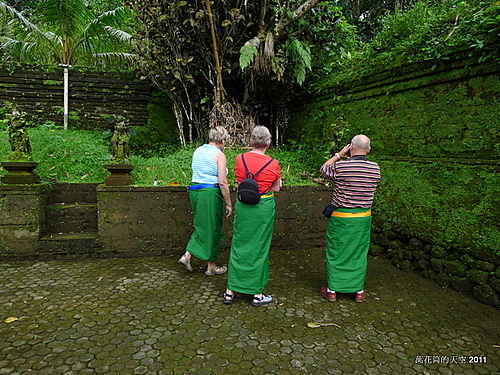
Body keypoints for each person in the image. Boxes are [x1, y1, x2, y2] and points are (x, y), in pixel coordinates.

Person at [223, 126, 282, 307]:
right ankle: (257, 294)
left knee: (239, 244)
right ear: (268, 143)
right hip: (262, 207)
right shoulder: (273, 163)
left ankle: (230, 291)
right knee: (259, 247)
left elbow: (238, 178)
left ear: (251, 141)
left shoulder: (240, 159)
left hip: (243, 206)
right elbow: (277, 188)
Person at [319, 134, 381, 303]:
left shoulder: (342, 166)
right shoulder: (375, 168)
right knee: (358, 252)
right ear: (368, 150)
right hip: (362, 218)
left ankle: (332, 290)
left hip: (341, 217)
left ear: (351, 147)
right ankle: (358, 290)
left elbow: (323, 169)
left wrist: (339, 155)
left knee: (337, 250)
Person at [179, 126, 232, 275]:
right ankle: (211, 266)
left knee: (201, 225)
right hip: (210, 193)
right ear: (222, 140)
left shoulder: (198, 151)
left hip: (195, 191)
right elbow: (222, 181)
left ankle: (188, 255)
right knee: (213, 228)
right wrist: (229, 203)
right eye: (225, 142)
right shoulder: (219, 155)